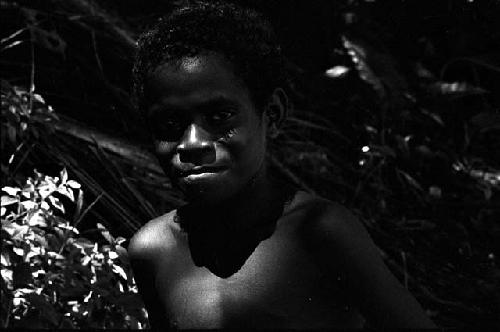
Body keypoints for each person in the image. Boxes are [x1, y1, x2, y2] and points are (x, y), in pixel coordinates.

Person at [128, 1, 436, 329]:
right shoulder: (152, 249)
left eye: (219, 117)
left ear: (272, 114)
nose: (192, 144)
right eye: (169, 123)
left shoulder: (320, 231)